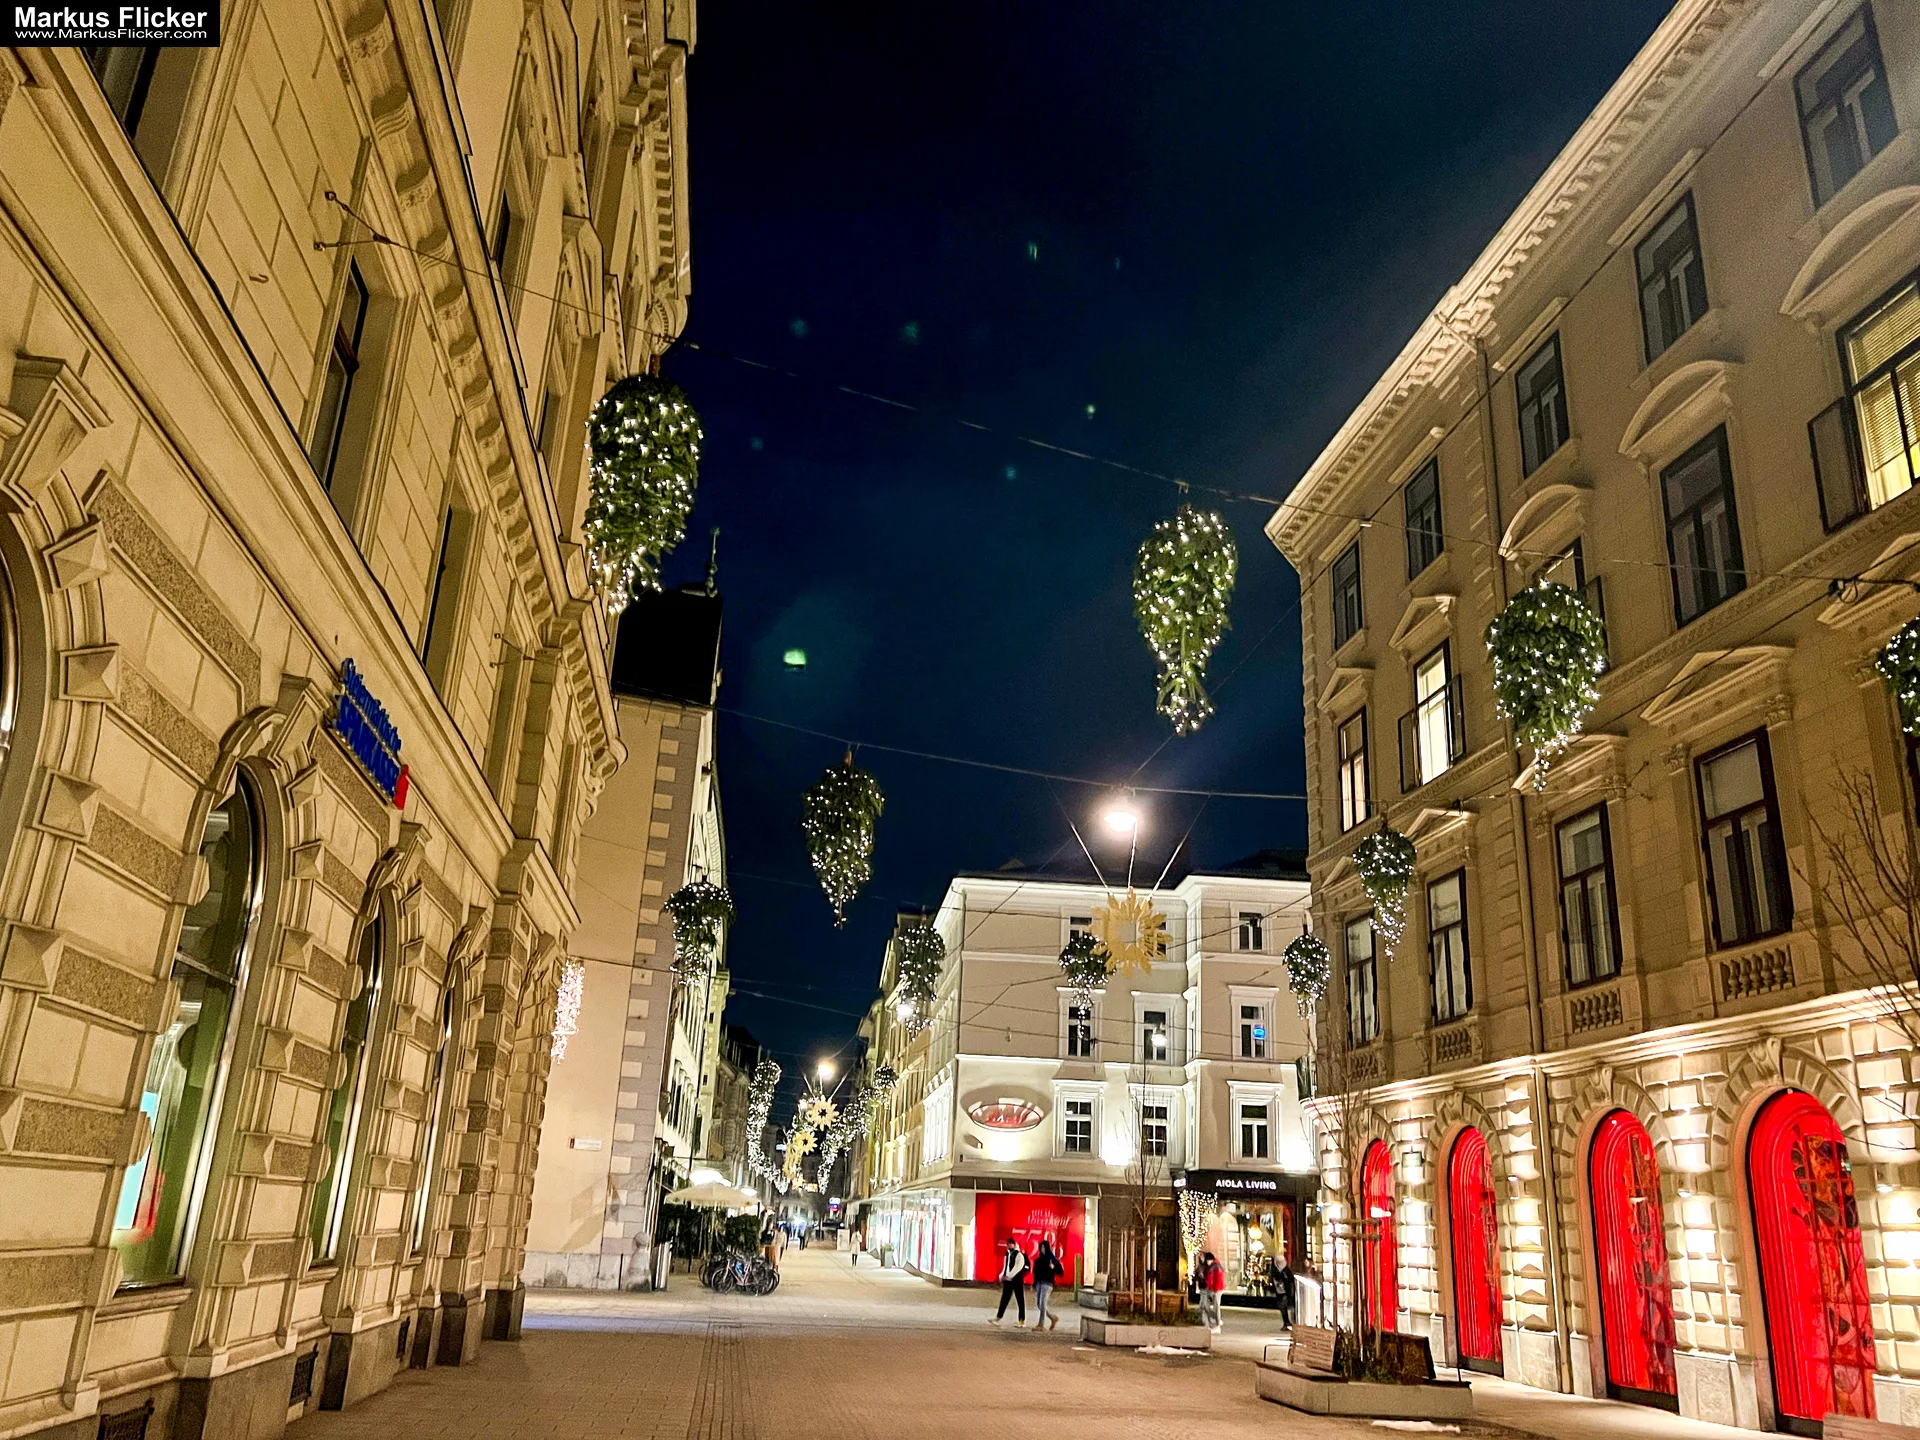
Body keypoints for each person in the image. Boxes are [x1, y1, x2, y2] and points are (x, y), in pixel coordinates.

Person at [989, 1238, 1028, 1326]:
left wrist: (1009, 1276)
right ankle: (998, 1317)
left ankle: (1021, 1320)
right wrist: (1002, 1275)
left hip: (1017, 1280)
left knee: (1020, 1300)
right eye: (1008, 1244)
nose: (1010, 1245)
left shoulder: (1019, 1255)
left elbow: (1017, 1268)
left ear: (1014, 1244)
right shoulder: (1008, 1254)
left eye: (1011, 1244)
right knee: (1004, 1299)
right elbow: (1005, 1266)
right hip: (1008, 1280)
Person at [1031, 1239, 1065, 1332]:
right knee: (1039, 1304)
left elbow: (1061, 1272)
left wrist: (1053, 1268)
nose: (1042, 1249)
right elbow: (1035, 1273)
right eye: (1041, 1247)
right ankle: (1052, 1317)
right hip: (1039, 1284)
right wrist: (1034, 1284)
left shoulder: (1052, 1259)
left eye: (1044, 1247)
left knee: (1043, 1303)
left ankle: (1041, 1324)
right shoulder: (1038, 1260)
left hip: (1047, 1284)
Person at [1197, 1251, 1225, 1332]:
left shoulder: (1216, 1266)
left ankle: (1217, 1323)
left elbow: (1218, 1279)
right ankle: (1215, 1321)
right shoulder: (1210, 1266)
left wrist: (1214, 1289)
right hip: (1210, 1289)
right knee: (1206, 1306)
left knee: (1215, 1307)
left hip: (1215, 1289)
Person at [1274, 1256, 1296, 1329]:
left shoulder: (1286, 1270)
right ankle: (1286, 1322)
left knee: (1289, 1307)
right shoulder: (1275, 1270)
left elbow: (1290, 1281)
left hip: (1287, 1292)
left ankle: (1291, 1322)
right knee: (1282, 1308)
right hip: (1279, 1292)